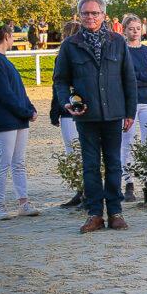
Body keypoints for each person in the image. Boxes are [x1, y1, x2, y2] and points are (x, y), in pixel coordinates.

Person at [53, 0, 137, 233]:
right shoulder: (70, 45)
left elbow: (128, 78)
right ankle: (94, 214)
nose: (90, 17)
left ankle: (115, 212)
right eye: (85, 13)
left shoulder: (118, 42)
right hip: (86, 116)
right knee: (90, 166)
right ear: (79, 16)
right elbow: (60, 80)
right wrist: (67, 101)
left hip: (113, 114)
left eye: (94, 13)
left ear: (104, 15)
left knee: (113, 164)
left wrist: (130, 111)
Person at [0, 16, 40, 220]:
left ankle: (23, 202)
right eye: (12, 36)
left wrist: (30, 107)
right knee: (4, 162)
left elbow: (19, 91)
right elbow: (4, 93)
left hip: (18, 118)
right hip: (4, 119)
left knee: (19, 162)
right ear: (7, 36)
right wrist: (25, 111)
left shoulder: (4, 61)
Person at [119, 14, 147, 202]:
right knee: (127, 142)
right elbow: (123, 77)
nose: (135, 32)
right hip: (127, 102)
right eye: (131, 28)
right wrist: (145, 74)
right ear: (125, 30)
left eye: (138, 28)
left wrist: (138, 76)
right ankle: (128, 182)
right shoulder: (122, 51)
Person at [50, 20, 84, 208]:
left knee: (75, 152)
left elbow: (58, 86)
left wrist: (55, 110)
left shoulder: (65, 57)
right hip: (70, 109)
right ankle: (81, 190)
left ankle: (83, 191)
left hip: (71, 110)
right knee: (75, 152)